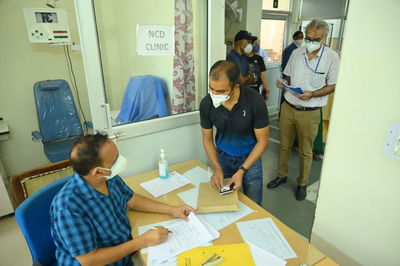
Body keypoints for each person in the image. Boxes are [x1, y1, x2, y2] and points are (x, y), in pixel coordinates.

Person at [50, 133, 194, 265]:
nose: (121, 160)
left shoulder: (108, 177)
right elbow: (89, 260)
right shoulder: (68, 209)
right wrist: (142, 241)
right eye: (115, 160)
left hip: (125, 254)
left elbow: (132, 200)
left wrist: (172, 210)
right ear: (97, 172)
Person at [267, 20, 339, 201]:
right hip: (288, 106)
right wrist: (282, 83)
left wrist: (313, 94)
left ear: (324, 38)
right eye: (308, 37)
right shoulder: (297, 53)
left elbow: (333, 85)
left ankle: (302, 184)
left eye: (316, 38)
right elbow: (288, 76)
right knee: (284, 146)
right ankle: (281, 176)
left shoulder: (332, 56)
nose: (311, 41)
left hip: (310, 111)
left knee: (305, 151)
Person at [200, 60, 270, 205]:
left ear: (235, 86)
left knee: (254, 203)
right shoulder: (207, 104)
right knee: (224, 202)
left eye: (221, 91)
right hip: (223, 159)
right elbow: (207, 139)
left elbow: (263, 141)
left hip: (250, 159)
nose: (214, 94)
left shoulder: (255, 101)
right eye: (211, 88)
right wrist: (217, 168)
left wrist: (242, 170)